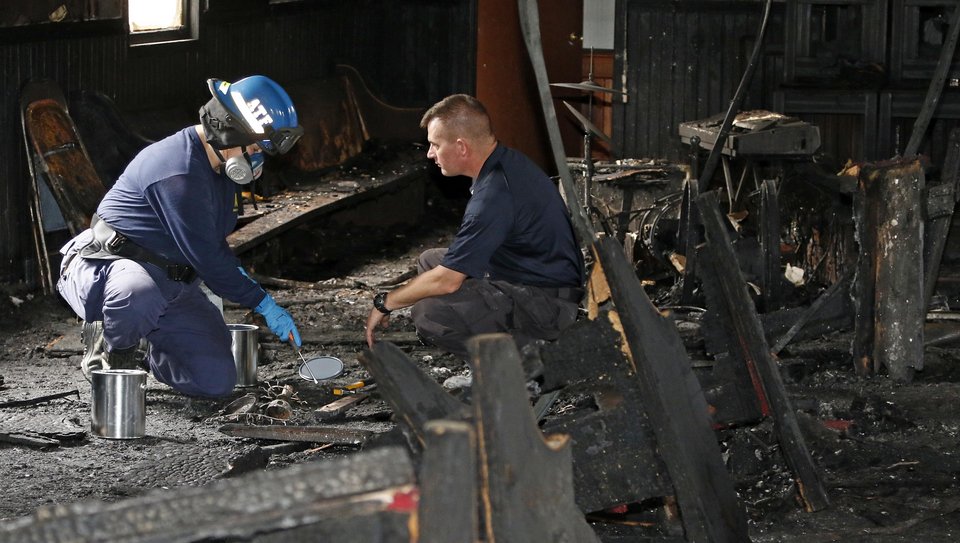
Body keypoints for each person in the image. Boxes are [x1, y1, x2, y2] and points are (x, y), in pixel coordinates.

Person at [57, 75, 304, 398]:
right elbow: (207, 258)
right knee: (137, 293)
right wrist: (263, 303)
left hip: (172, 282)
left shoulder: (220, 168)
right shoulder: (179, 173)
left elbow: (213, 247)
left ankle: (146, 348)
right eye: (256, 148)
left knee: (216, 381)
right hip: (109, 266)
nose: (257, 160)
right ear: (231, 132)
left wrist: (240, 280)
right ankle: (112, 351)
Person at [365, 94, 585, 361]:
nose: (429, 153)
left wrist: (385, 303)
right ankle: (494, 340)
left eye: (435, 144)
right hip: (527, 274)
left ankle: (534, 364)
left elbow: (447, 282)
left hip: (549, 303)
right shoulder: (504, 163)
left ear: (461, 147)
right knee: (430, 260)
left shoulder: (494, 195)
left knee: (431, 313)